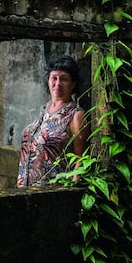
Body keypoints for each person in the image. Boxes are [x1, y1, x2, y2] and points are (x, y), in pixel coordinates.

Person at [16, 55, 90, 188]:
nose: (58, 83)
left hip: (51, 194)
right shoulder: (44, 110)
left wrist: (71, 194)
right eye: (54, 78)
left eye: (64, 79)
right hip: (24, 192)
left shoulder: (75, 115)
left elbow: (81, 160)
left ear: (73, 84)